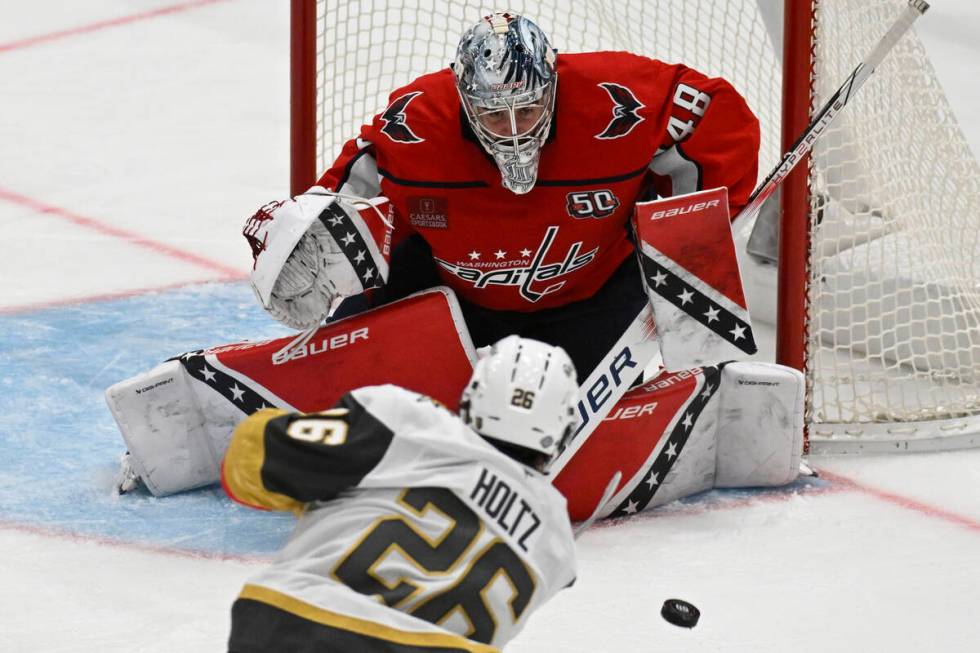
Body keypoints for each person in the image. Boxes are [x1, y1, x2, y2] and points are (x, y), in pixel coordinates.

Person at [248, 11, 761, 382]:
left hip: (593, 300)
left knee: (560, 408)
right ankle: (324, 374)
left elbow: (715, 115)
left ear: (553, 86)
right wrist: (306, 235)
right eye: (495, 114)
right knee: (358, 371)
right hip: (456, 305)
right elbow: (344, 199)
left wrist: (686, 232)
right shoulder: (415, 126)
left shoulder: (617, 99)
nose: (514, 130)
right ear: (465, 103)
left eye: (529, 109)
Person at [223, 336, 580, 652]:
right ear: (561, 432)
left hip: (296, 624)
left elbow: (255, 456)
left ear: (473, 397)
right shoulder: (557, 539)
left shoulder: (405, 421)